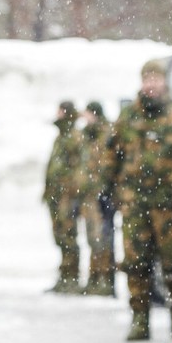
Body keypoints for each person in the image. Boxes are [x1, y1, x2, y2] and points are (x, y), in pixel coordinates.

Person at [106, 59, 172, 341]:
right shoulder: (128, 116)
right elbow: (111, 156)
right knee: (136, 263)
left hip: (169, 203)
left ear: (164, 82)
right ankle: (140, 319)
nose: (151, 84)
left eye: (156, 78)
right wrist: (109, 192)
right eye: (147, 79)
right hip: (134, 204)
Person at [43, 100, 83, 294]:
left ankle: (71, 278)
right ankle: (65, 275)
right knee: (60, 236)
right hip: (56, 196)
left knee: (68, 236)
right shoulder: (61, 137)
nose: (56, 114)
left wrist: (71, 192)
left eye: (60, 111)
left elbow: (79, 169)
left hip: (67, 197)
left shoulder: (74, 137)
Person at [76, 101, 115, 296]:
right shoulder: (88, 136)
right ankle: (94, 279)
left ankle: (105, 281)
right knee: (93, 237)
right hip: (89, 195)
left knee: (103, 237)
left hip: (101, 194)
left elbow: (107, 163)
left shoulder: (106, 134)